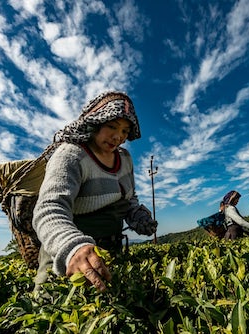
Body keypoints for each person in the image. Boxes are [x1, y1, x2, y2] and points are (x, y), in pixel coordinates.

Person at [32, 91, 157, 292]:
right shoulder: (71, 155)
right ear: (95, 123)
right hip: (68, 254)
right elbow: (50, 208)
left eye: (125, 131)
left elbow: (129, 197)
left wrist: (137, 216)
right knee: (51, 311)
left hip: (109, 251)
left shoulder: (125, 159)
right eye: (112, 126)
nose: (118, 137)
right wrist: (72, 247)